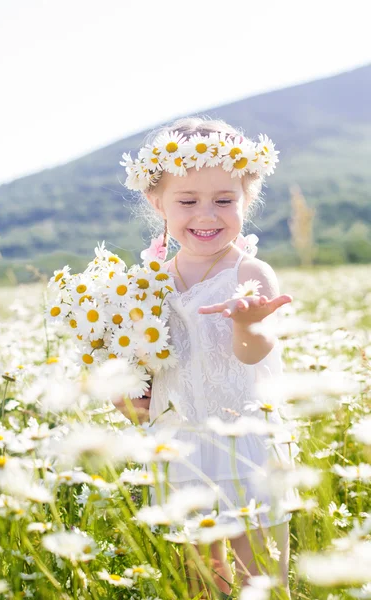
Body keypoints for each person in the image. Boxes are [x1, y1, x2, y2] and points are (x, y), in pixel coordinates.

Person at [119, 116, 299, 598]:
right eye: (188, 201)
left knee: (255, 579)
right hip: (181, 446)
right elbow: (146, 363)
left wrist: (248, 323)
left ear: (247, 200)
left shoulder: (251, 273)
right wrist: (130, 392)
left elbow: (252, 353)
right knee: (200, 582)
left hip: (245, 446)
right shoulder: (145, 282)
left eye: (225, 201)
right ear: (156, 202)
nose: (207, 215)